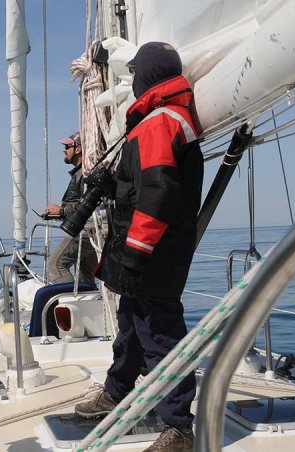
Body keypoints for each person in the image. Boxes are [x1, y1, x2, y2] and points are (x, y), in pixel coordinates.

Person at [73, 42, 204, 452]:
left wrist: (135, 253)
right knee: (131, 326)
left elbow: (159, 194)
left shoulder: (159, 122)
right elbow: (147, 186)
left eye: (135, 73)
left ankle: (179, 427)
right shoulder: (160, 120)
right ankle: (117, 390)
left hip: (152, 252)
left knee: (159, 333)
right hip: (149, 248)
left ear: (148, 75)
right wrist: (115, 185)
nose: (131, 79)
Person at [44, 132, 98, 285]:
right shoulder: (83, 173)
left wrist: (61, 211)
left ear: (78, 149)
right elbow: (83, 201)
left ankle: (67, 300)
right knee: (85, 278)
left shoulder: (84, 173)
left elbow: (88, 203)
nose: (64, 150)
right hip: (92, 231)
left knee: (55, 264)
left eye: (67, 146)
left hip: (85, 231)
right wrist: (57, 213)